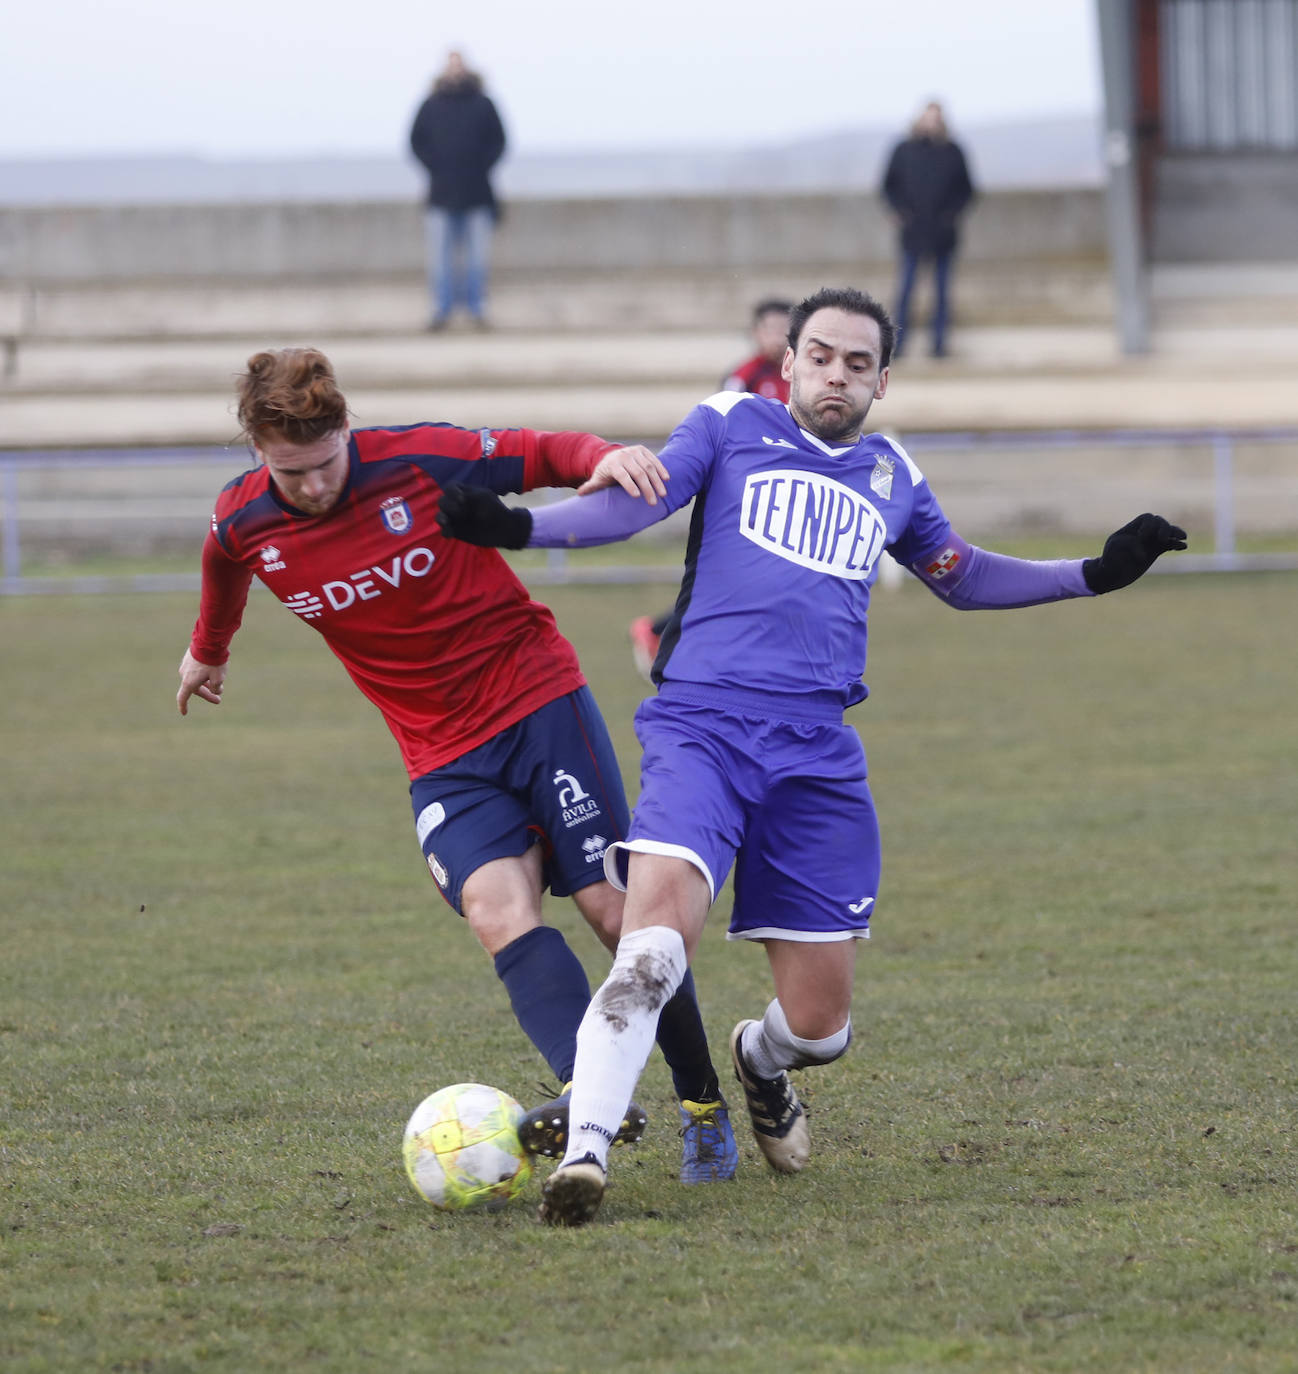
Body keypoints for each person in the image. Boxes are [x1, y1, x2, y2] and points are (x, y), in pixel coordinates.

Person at [435, 285, 1188, 1226]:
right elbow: (637, 503)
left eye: (858, 363)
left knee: (823, 1032)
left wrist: (1096, 573)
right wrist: (521, 527)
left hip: (817, 756)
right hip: (702, 729)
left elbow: (962, 574)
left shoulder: (892, 474)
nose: (837, 374)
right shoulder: (729, 422)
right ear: (787, 362)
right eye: (821, 355)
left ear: (882, 380)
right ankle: (584, 1155)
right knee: (652, 946)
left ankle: (758, 1061)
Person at [174, 346, 738, 1185]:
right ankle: (590, 1092)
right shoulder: (243, 519)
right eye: (292, 473)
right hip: (439, 753)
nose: (315, 486)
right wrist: (206, 652)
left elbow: (536, 451)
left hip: (537, 701)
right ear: (259, 451)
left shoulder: (417, 459)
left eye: (325, 464)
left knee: (619, 917)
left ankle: (703, 1106)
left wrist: (603, 456)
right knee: (495, 910)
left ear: (346, 432)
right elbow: (223, 565)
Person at [628, 298, 794, 680]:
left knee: (762, 584)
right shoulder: (742, 378)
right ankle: (659, 633)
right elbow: (724, 433)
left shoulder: (802, 378)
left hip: (783, 497)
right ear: (755, 333)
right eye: (769, 328)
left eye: (784, 328)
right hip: (742, 498)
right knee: (734, 584)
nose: (777, 336)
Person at [409, 51, 507, 331]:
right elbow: (416, 142)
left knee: (477, 260)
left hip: (478, 194)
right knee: (440, 261)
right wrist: (436, 167)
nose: (455, 70)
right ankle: (441, 311)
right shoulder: (430, 105)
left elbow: (499, 142)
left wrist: (481, 167)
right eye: (451, 65)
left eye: (459, 64)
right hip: (440, 195)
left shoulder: (484, 104)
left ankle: (477, 310)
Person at [881, 101, 975, 359]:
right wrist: (899, 212)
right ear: (919, 120)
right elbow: (888, 186)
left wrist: (950, 215)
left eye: (936, 119)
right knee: (906, 290)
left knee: (942, 292)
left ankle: (939, 344)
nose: (931, 123)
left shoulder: (953, 151)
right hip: (913, 234)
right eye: (928, 118)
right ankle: (898, 344)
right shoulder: (903, 150)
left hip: (943, 235)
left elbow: (967, 190)